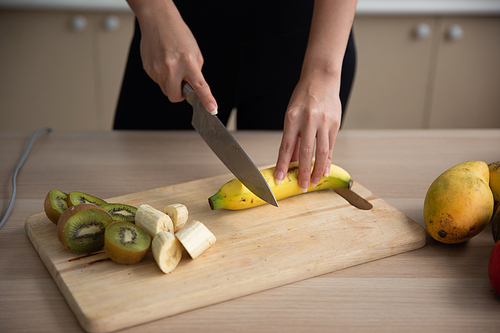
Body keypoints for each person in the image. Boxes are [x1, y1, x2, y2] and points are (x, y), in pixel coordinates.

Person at [115, 0, 357, 193]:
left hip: (308, 40)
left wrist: (324, 71)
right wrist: (153, 10)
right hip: (170, 34)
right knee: (131, 179)